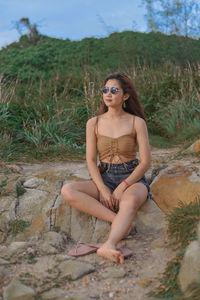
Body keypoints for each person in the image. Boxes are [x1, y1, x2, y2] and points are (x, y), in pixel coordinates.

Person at [61, 72, 151, 264]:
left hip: (132, 178)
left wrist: (123, 186)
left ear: (125, 96)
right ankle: (122, 224)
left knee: (128, 202)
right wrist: (103, 189)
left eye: (113, 90)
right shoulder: (93, 123)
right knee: (68, 190)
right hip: (106, 175)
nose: (108, 94)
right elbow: (91, 161)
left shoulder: (137, 122)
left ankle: (109, 244)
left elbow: (145, 162)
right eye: (105, 90)